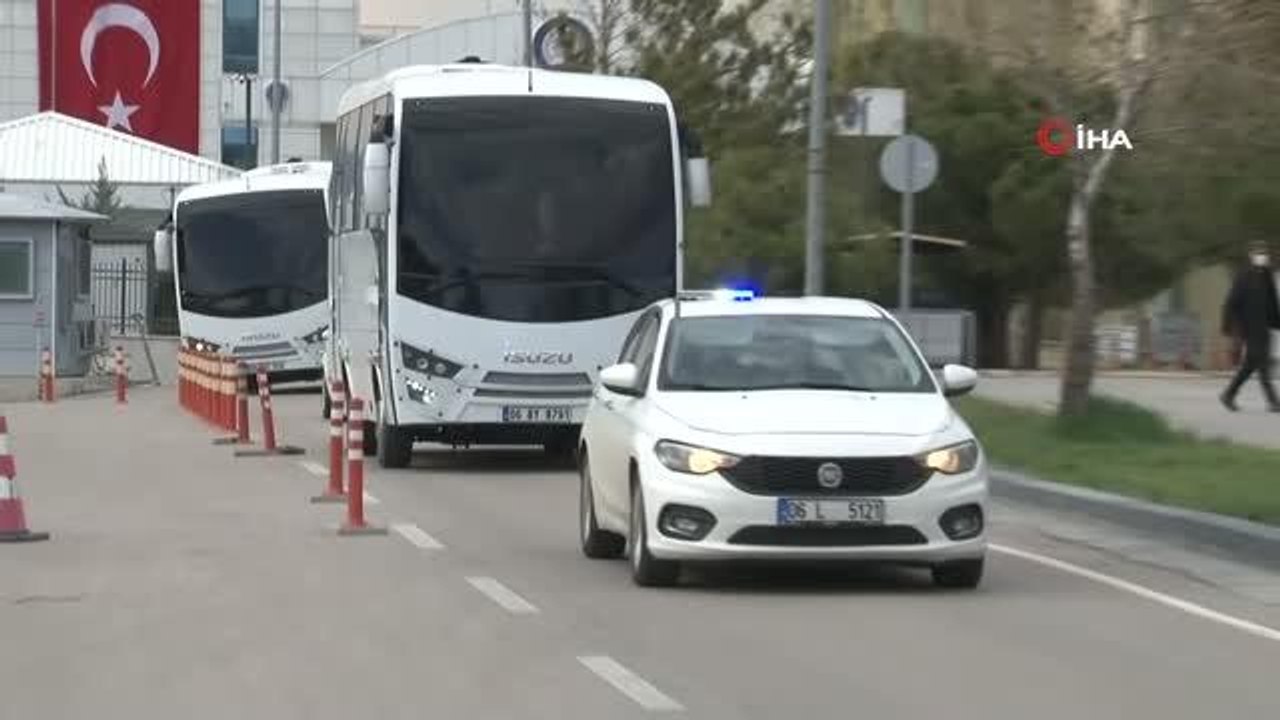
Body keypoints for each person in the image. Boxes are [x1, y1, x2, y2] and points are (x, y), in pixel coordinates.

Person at [1220, 240, 1280, 411]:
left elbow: (1272, 302)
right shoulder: (1244, 275)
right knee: (1262, 364)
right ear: (1251, 255)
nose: (1262, 256)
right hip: (1249, 328)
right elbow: (1231, 303)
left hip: (1264, 327)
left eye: (1264, 253)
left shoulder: (1266, 274)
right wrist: (1229, 329)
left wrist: (1276, 322)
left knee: (1250, 365)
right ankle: (1273, 402)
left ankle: (1228, 395)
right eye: (1258, 253)